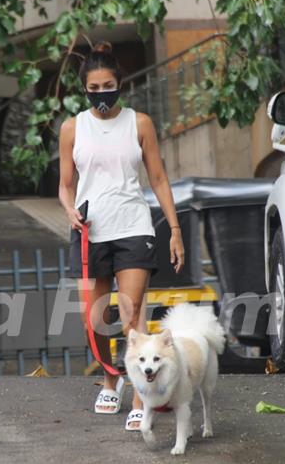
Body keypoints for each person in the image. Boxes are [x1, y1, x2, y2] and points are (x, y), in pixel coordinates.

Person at [58, 41, 185, 431]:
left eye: (107, 85)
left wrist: (174, 230)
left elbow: (159, 178)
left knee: (131, 316)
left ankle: (138, 396)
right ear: (84, 89)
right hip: (92, 232)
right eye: (93, 89)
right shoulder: (72, 128)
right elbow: (65, 186)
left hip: (133, 227)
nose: (101, 94)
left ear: (120, 83)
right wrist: (69, 210)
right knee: (96, 320)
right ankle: (109, 382)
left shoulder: (139, 123)